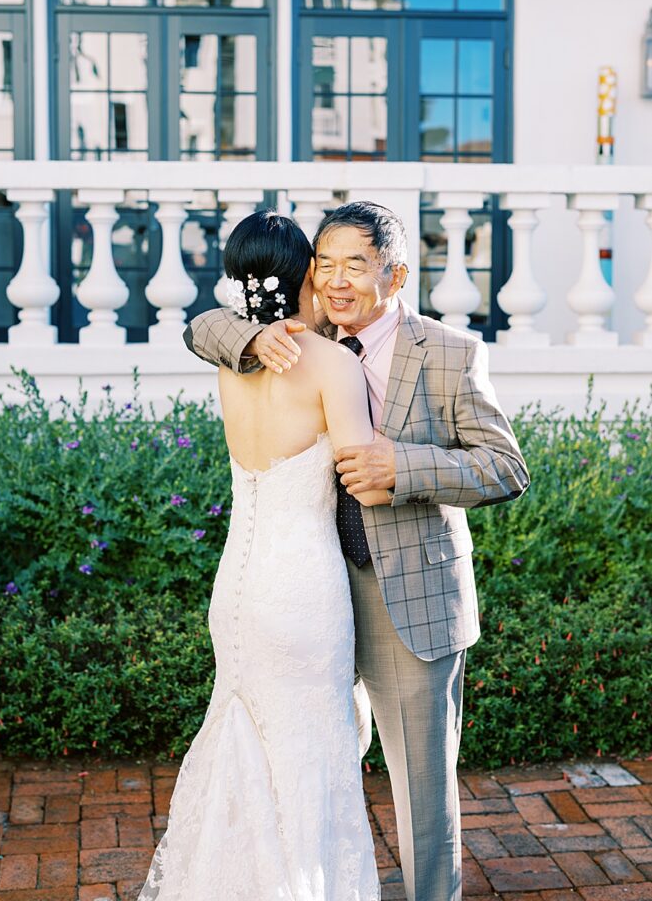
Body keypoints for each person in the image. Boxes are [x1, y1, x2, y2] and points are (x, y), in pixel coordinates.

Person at [184, 200, 530, 901]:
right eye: (325, 264)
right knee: (313, 759)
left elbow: (504, 467)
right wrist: (241, 335)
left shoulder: (450, 351)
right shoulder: (285, 340)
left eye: (355, 265)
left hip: (403, 596)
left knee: (419, 790)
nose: (337, 281)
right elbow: (203, 326)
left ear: (395, 274)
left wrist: (402, 469)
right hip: (311, 595)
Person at [138, 210, 382, 901]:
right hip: (302, 588)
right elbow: (361, 475)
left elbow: (213, 328)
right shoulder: (333, 364)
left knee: (244, 745)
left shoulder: (232, 361)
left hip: (237, 588)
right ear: (307, 274)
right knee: (307, 754)